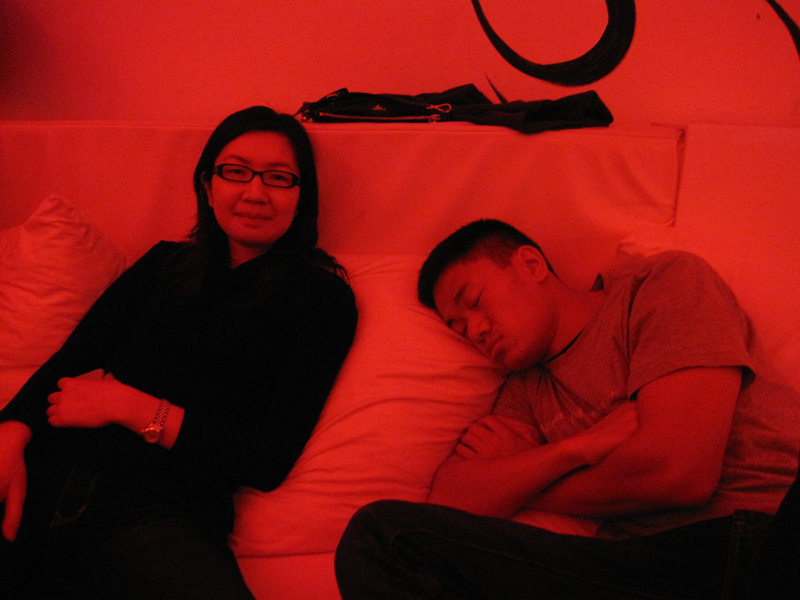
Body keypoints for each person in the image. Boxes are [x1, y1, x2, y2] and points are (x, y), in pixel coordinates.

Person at [334, 219, 799, 599]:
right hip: (644, 568)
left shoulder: (658, 285)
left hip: (764, 535)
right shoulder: (525, 389)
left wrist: (524, 481)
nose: (474, 330)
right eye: (459, 328)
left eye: (474, 302)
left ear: (531, 264)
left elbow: (681, 472)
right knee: (384, 538)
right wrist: (574, 450)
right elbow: (452, 500)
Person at [0, 106, 358, 599]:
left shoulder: (323, 299)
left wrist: (130, 406)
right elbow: (73, 359)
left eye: (278, 178)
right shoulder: (164, 263)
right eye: (236, 172)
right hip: (44, 473)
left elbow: (266, 460)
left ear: (303, 196)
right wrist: (10, 433)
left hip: (156, 512)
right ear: (208, 186)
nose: (255, 192)